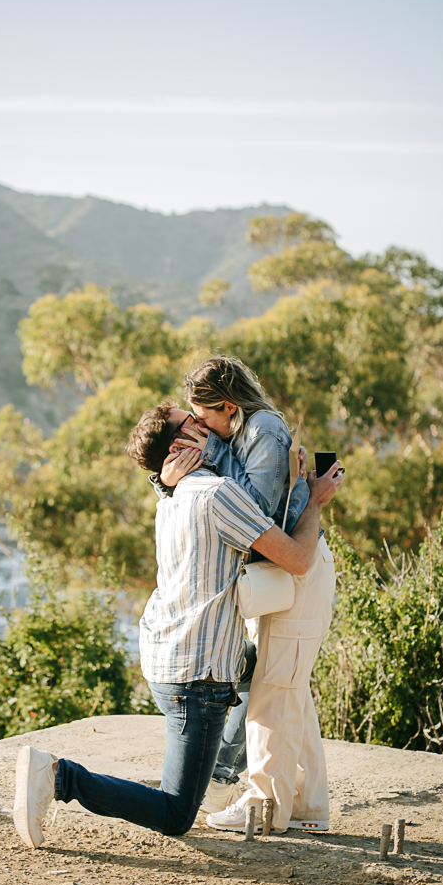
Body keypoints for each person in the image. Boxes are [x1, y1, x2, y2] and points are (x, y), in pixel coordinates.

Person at [12, 401, 343, 849]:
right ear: (181, 444)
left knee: (264, 668)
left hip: (166, 654)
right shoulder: (219, 493)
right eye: (192, 423)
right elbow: (299, 559)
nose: (205, 425)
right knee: (174, 814)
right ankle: (59, 776)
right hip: (198, 677)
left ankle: (224, 775)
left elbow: (171, 486)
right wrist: (315, 500)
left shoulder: (170, 494)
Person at [160, 355, 337, 834]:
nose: (201, 428)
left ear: (229, 405)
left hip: (294, 568)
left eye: (205, 417)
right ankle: (306, 805)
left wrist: (212, 457)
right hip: (279, 573)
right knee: (289, 690)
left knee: (272, 694)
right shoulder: (243, 433)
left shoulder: (263, 432)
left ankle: (264, 805)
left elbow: (251, 513)